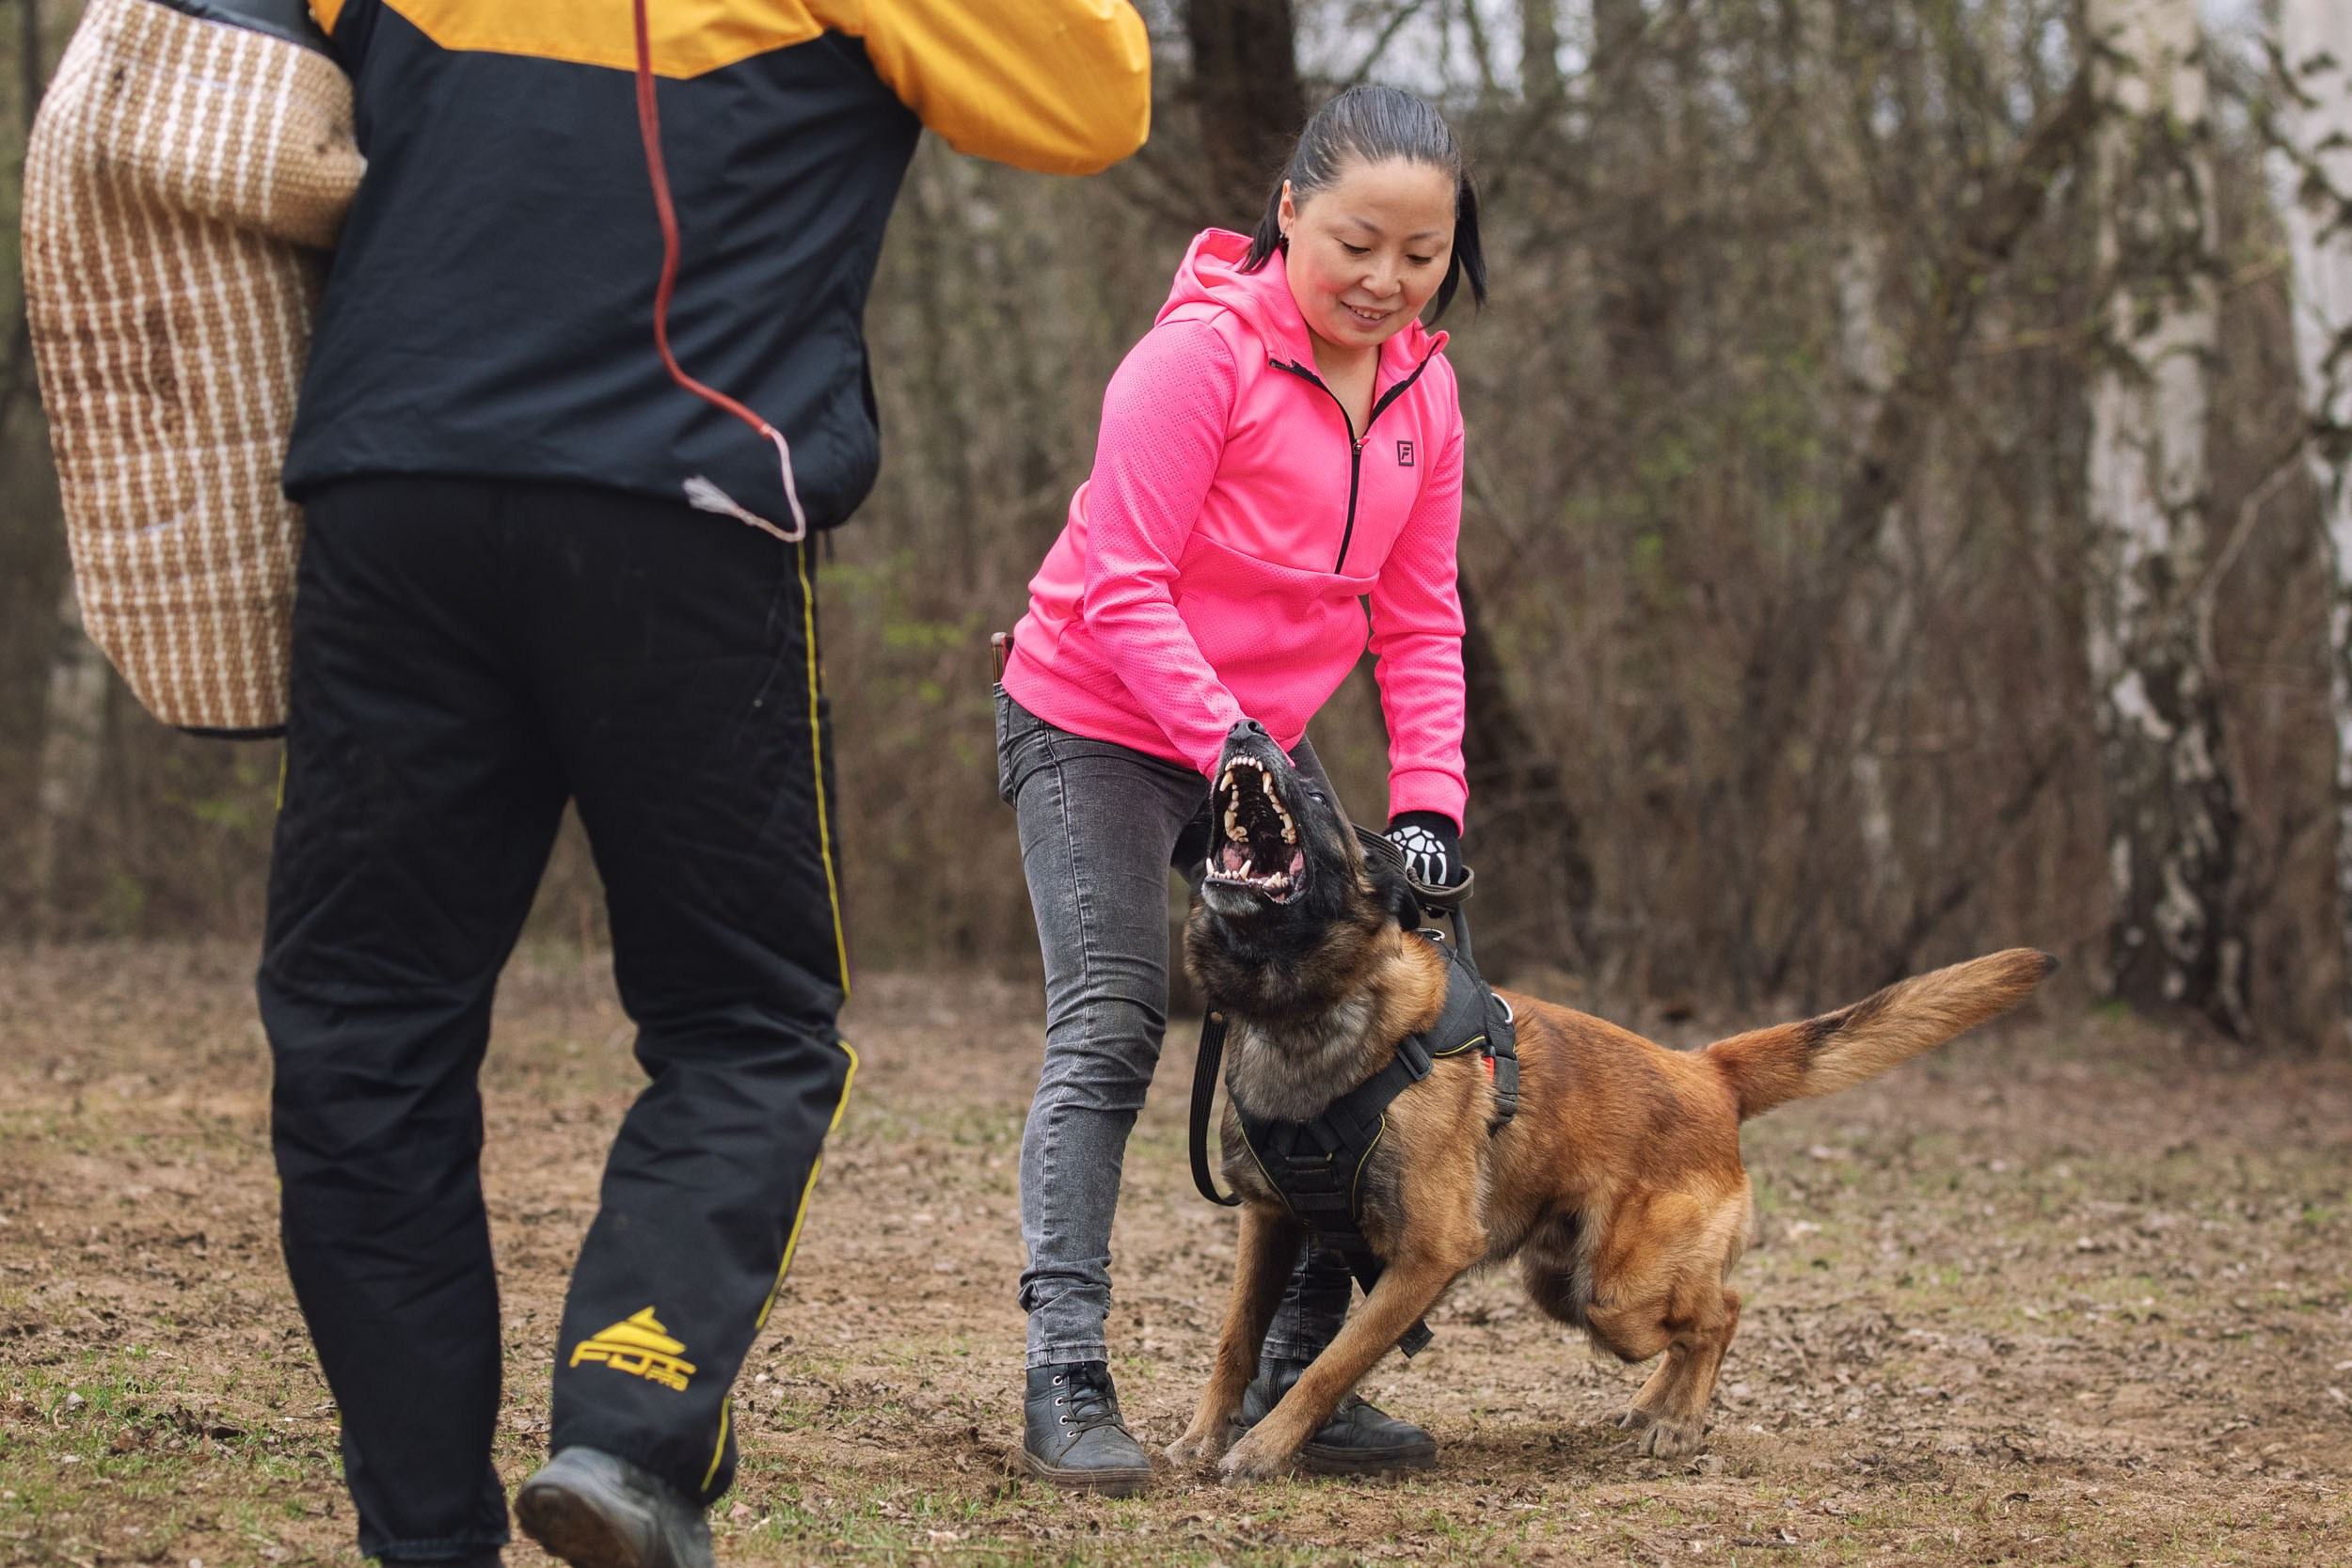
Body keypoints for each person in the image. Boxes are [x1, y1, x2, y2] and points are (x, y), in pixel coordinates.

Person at [254, 5, 1148, 1566]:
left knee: (361, 1041)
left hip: (390, 489)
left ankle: (424, 1542)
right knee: (745, 1027)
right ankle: (630, 1427)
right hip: (682, 501)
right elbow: (1096, 93)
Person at [994, 85, 1485, 1492]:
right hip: (1094, 710)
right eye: (1356, 244)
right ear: (1289, 214)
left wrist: (1431, 805)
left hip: (1254, 736)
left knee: (1388, 1014)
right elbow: (1121, 585)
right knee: (1112, 1021)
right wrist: (1230, 748)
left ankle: (1302, 1381)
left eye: (1420, 253)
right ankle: (1066, 1376)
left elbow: (1423, 611)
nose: (1387, 281)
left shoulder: (1423, 388)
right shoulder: (1193, 360)